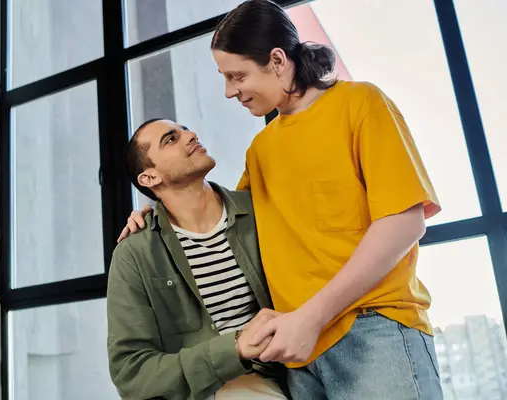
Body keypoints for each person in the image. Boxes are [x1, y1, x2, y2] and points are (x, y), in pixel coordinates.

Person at [118, 0, 444, 398]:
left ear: (276, 60)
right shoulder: (261, 150)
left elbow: (406, 222)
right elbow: (215, 211)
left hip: (373, 331)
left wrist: (311, 317)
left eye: (237, 75)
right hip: (297, 357)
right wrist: (151, 211)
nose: (228, 91)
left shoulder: (360, 104)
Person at [107, 118, 291, 399]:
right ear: (149, 178)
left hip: (291, 371)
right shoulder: (135, 254)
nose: (190, 135)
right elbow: (131, 372)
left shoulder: (259, 212)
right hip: (211, 389)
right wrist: (234, 349)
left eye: (184, 129)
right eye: (171, 139)